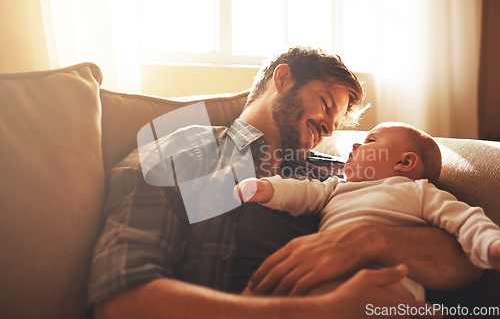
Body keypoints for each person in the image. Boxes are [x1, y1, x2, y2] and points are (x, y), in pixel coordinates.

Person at [88, 47, 481, 319]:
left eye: (336, 123)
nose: (329, 128)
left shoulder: (337, 175)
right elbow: (121, 302)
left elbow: (467, 265)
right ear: (283, 78)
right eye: (327, 105)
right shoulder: (187, 153)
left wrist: (370, 240)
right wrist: (320, 312)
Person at [235, 122, 500, 301]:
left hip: (390, 283)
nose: (354, 146)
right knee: (263, 290)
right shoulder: (335, 187)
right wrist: (267, 188)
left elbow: (464, 219)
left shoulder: (418, 191)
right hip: (329, 272)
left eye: (370, 140)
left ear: (404, 162)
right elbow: (303, 193)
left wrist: (490, 243)